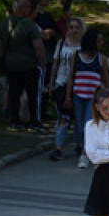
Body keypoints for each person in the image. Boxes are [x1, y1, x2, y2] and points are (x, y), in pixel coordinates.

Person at [0, 0, 47, 133]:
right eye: (29, 7)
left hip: (11, 65)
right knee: (32, 94)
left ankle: (15, 120)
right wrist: (42, 63)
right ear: (24, 9)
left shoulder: (4, 23)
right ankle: (34, 121)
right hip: (29, 65)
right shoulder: (29, 25)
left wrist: (5, 59)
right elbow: (38, 47)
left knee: (14, 92)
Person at [66, 29, 109, 169]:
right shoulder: (76, 56)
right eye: (99, 40)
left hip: (94, 98)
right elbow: (71, 76)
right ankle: (87, 147)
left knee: (88, 125)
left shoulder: (101, 59)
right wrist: (68, 96)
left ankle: (85, 155)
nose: (101, 43)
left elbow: (106, 78)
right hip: (78, 95)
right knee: (79, 125)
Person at [48, 17, 84, 161]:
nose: (74, 30)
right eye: (71, 27)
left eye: (77, 27)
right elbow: (56, 63)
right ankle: (59, 147)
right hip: (61, 83)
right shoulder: (61, 43)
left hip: (78, 84)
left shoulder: (83, 46)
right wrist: (51, 82)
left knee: (78, 117)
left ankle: (78, 143)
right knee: (62, 116)